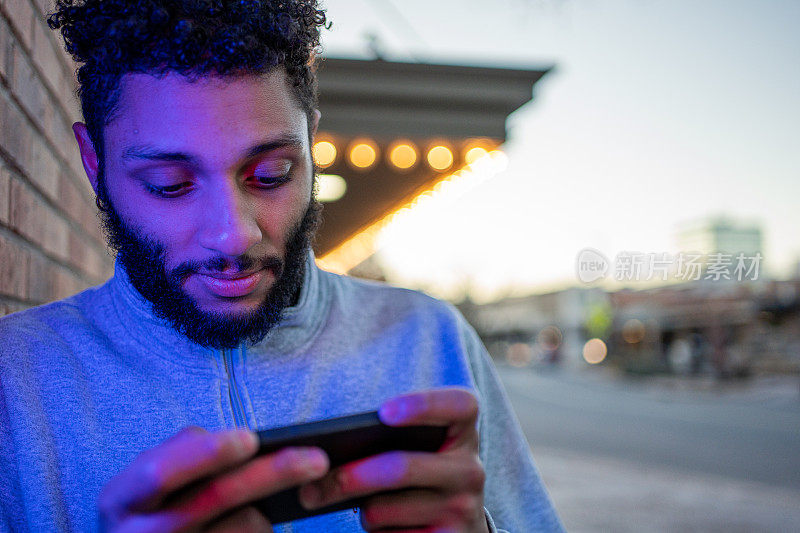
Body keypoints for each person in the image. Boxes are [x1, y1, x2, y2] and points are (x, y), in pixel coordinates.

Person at [0, 1, 563, 532]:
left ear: (311, 142)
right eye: (170, 185)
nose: (234, 234)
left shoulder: (429, 338)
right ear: (94, 164)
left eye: (269, 174)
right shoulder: (15, 378)